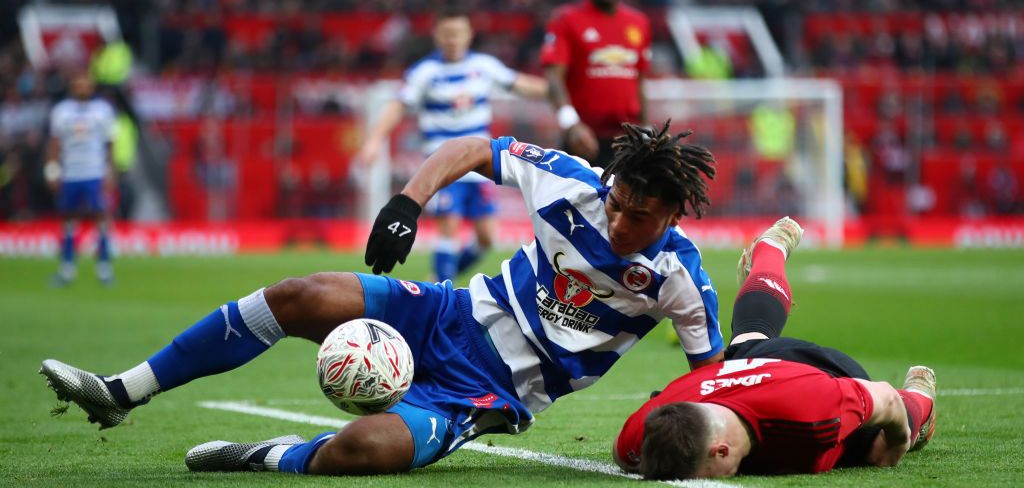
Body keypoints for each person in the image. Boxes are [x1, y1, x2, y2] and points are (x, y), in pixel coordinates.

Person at [41, 121, 725, 476]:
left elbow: (713, 379)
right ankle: (122, 390)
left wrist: (714, 437)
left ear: (673, 216)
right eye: (618, 203)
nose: (618, 221)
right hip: (448, 313)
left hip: (488, 394)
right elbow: (471, 149)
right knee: (300, 293)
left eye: (639, 216)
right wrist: (408, 202)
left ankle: (262, 455)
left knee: (363, 451)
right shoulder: (573, 182)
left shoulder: (679, 280)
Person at [614, 217, 938, 479]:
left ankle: (921, 389)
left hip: (828, 375)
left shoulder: (814, 414)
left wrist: (899, 441)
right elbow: (621, 452)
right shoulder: (652, 433)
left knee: (878, 449)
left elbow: (885, 400)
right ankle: (769, 251)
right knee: (747, 340)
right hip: (748, 367)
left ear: (721, 451)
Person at [356, 7, 548, 282]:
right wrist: (374, 141)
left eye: (457, 33)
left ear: (469, 35)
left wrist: (562, 91)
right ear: (436, 36)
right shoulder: (425, 72)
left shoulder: (483, 66)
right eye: (446, 33)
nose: (452, 39)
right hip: (443, 164)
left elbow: (521, 84)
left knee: (486, 237)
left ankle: (437, 282)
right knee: (449, 228)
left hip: (480, 164)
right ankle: (443, 295)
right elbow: (398, 106)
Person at [541, 0, 652, 167]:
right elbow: (554, 78)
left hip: (628, 141)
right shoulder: (566, 19)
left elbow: (639, 81)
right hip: (583, 139)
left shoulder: (639, 23)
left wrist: (646, 127)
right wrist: (571, 125)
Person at [45, 73, 117, 285]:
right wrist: (52, 170)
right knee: (68, 218)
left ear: (92, 86)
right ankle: (67, 269)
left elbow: (109, 143)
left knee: (101, 216)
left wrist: (110, 171)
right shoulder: (61, 111)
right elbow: (54, 143)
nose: (82, 88)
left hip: (94, 171)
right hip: (70, 172)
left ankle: (104, 268)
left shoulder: (102, 110)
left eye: (85, 84)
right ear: (72, 86)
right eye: (78, 84)